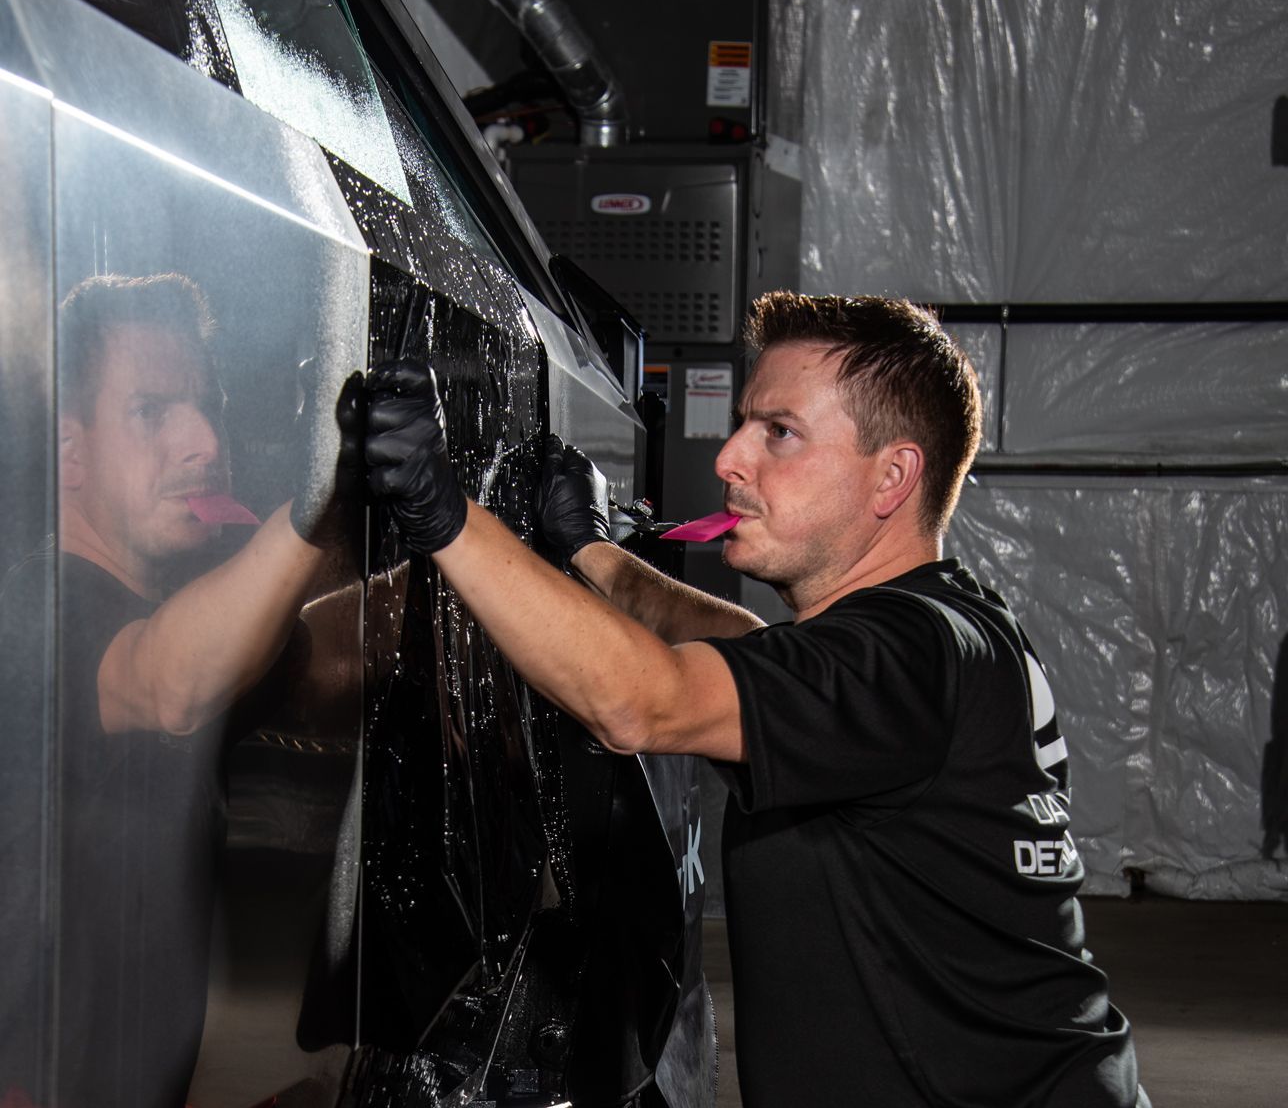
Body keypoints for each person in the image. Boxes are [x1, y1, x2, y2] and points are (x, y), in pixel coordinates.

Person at [365, 290, 1149, 1107]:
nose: (729, 458)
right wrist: (594, 554)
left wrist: (444, 514)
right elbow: (753, 648)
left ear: (892, 475)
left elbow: (644, 703)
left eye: (779, 431)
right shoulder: (945, 626)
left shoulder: (903, 652)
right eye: (744, 422)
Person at [0, 273, 354, 1108]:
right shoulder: (33, 611)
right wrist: (318, 498)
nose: (203, 442)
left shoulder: (180, 620)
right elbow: (162, 684)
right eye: (152, 411)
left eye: (209, 406)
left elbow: (336, 649)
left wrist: (464, 534)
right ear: (72, 450)